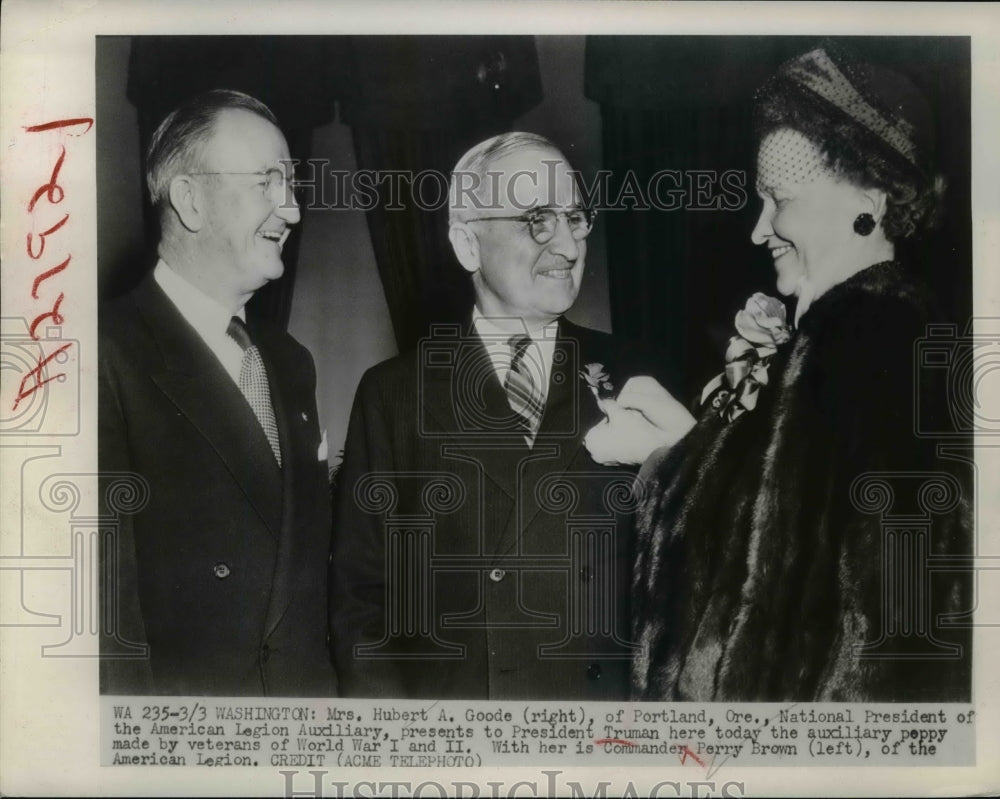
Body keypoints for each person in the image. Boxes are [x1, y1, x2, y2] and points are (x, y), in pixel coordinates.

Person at [585, 44, 972, 701]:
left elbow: (772, 606)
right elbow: (801, 550)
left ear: (871, 198)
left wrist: (660, 461)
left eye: (781, 199)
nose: (759, 229)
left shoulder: (866, 340)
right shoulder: (885, 330)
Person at [331, 132, 658, 699]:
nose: (569, 246)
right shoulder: (394, 394)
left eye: (575, 217)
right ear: (467, 245)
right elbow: (361, 602)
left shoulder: (638, 376)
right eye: (537, 218)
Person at [99, 89, 336, 696]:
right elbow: (104, 627)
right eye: (267, 183)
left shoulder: (290, 363)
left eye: (292, 183)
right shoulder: (98, 354)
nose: (293, 211)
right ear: (190, 199)